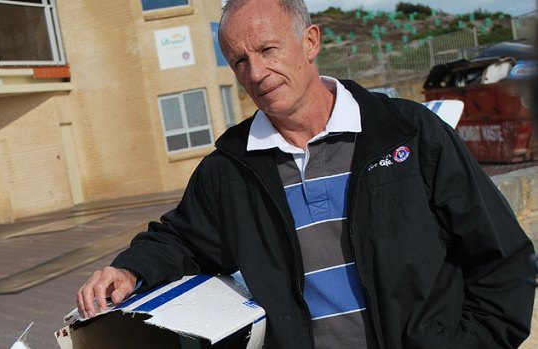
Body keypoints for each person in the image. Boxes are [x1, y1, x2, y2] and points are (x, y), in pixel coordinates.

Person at [77, 0, 536, 347]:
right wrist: (129, 269)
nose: (256, 72)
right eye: (239, 60)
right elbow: (179, 239)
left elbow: (504, 257)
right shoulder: (230, 169)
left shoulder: (408, 133)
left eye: (267, 49)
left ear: (311, 41)